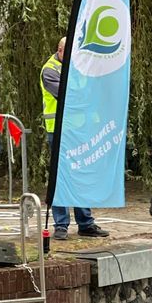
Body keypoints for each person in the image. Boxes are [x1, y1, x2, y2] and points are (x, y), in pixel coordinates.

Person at [40, 37, 110, 241]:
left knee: (82, 175)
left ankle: (85, 223)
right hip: (60, 131)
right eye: (69, 52)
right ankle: (61, 225)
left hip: (80, 130)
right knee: (61, 177)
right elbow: (68, 96)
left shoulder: (78, 66)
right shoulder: (50, 70)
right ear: (59, 50)